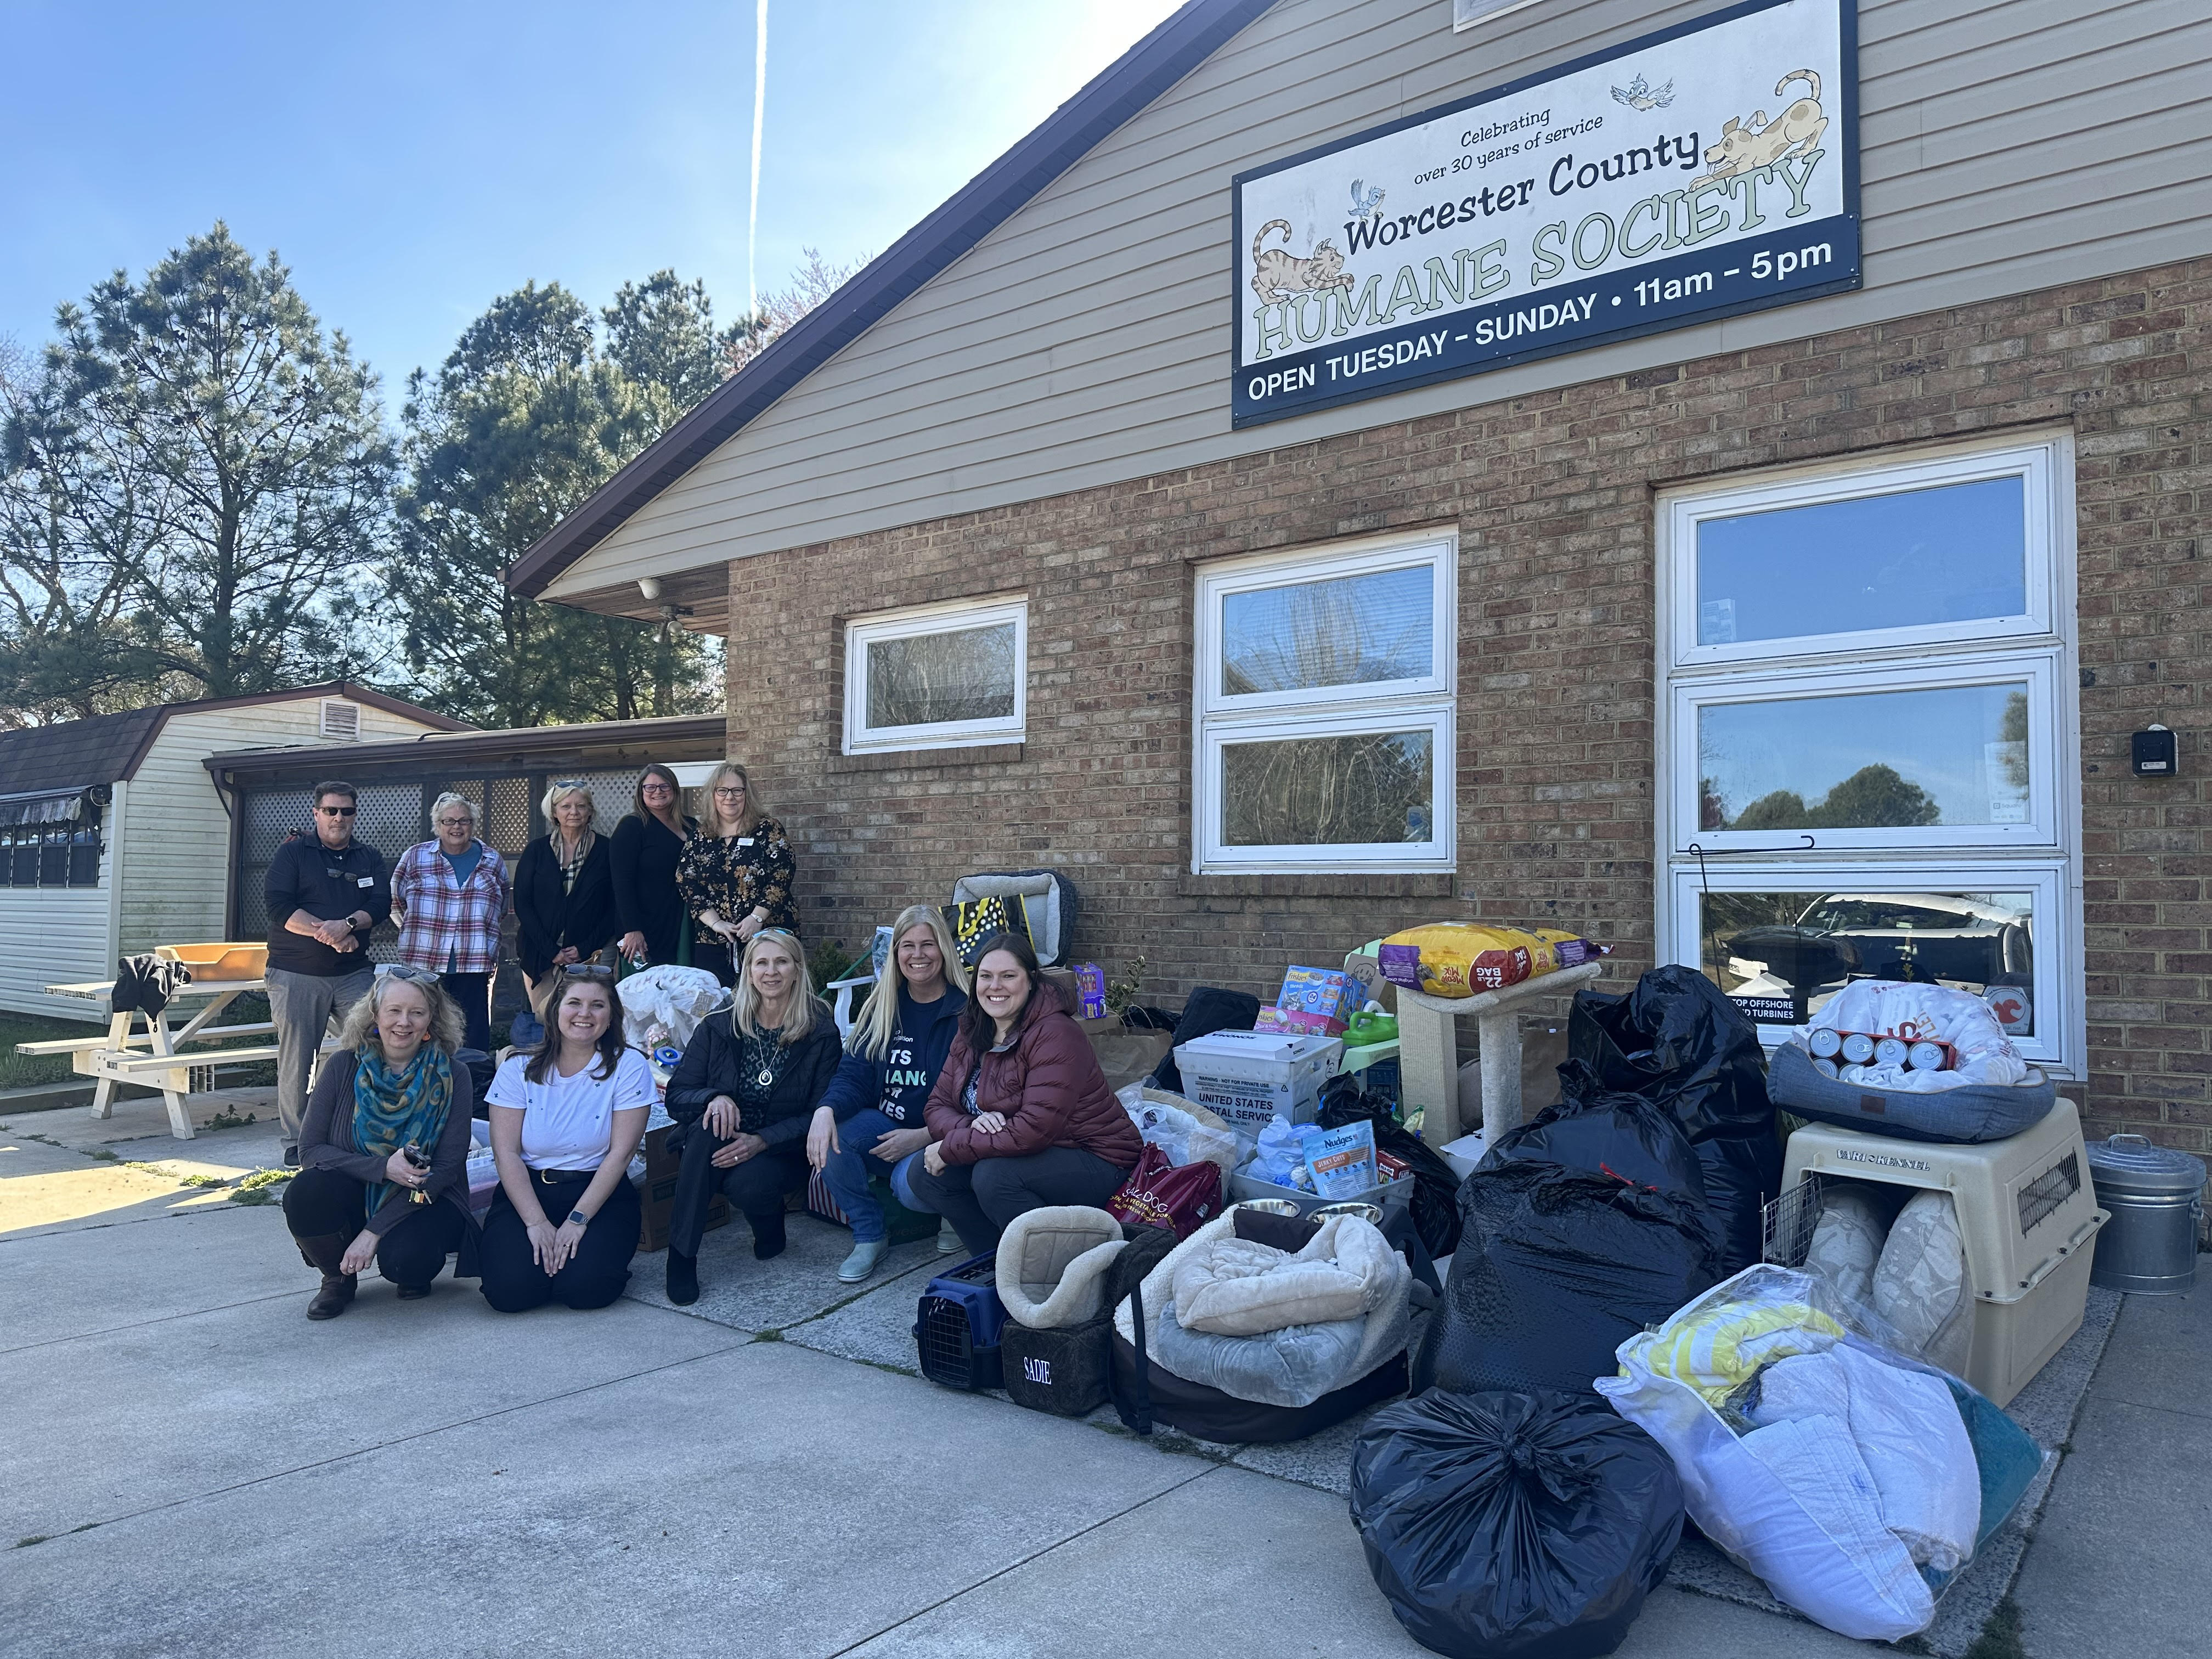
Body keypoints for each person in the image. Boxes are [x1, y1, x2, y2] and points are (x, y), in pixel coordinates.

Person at [901, 932, 1141, 1257]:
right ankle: (995, 1260)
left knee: (995, 1177)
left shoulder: (1056, 1034)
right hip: (1018, 1149)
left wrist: (954, 1144)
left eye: (1008, 976)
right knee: (924, 1173)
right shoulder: (973, 1026)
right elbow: (937, 1105)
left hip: (1096, 1157)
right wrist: (972, 1126)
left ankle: (1050, 1268)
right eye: (985, 977)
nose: (994, 987)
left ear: (1030, 981)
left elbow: (1034, 1131)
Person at [283, 967, 475, 1318]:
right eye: (394, 1011)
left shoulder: (454, 1075)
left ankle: (404, 1262)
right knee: (305, 1190)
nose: (405, 1022)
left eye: (417, 1012)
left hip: (424, 1198)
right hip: (354, 1189)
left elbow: (447, 1168)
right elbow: (309, 1150)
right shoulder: (343, 1066)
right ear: (375, 1015)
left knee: (406, 1264)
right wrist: (384, 1167)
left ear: (432, 1020)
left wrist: (374, 1232)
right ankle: (337, 1278)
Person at [662, 928, 840, 1305]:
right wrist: (714, 1097)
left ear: (797, 968)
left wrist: (762, 1141)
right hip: (718, 1141)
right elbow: (677, 1096)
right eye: (761, 963)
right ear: (748, 971)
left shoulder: (820, 1031)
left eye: (781, 962)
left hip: (782, 1149)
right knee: (707, 1128)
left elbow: (820, 1112)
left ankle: (769, 1220)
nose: (771, 972)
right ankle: (681, 1257)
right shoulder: (719, 1025)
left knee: (749, 1185)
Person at [806, 906, 969, 1283]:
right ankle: (869, 1235)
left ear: (943, 950)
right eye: (907, 946)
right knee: (833, 1132)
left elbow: (980, 1096)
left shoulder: (967, 1010)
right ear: (895, 954)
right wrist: (825, 1110)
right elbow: (853, 1075)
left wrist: (926, 1135)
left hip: (944, 1137)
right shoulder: (882, 1005)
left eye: (928, 944)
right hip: (887, 1129)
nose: (918, 955)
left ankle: (956, 1210)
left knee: (907, 1188)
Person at [477, 966, 653, 1313]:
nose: (585, 1014)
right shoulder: (518, 1068)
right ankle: (539, 1270)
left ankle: (580, 1266)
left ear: (611, 1015)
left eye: (598, 1005)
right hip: (527, 1192)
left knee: (586, 1292)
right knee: (510, 1295)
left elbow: (621, 1154)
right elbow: (506, 1154)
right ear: (556, 1008)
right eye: (574, 1003)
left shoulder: (629, 1066)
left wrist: (577, 1221)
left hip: (597, 1192)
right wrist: (536, 1223)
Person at [265, 780, 389, 1166]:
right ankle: (299, 1139)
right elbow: (278, 907)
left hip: (353, 973)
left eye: (346, 811)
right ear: (316, 812)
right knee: (300, 1058)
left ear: (355, 815)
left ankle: (363, 1125)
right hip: (296, 972)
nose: (339, 818)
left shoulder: (368, 857)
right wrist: (332, 934)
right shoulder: (293, 853)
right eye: (331, 810)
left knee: (376, 1043)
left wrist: (348, 925)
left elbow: (381, 903)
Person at [390, 792, 510, 1053]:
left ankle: (471, 1090)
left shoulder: (492, 860)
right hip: (423, 964)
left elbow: (500, 907)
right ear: (438, 825)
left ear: (473, 824)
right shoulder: (415, 857)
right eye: (449, 821)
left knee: (472, 1038)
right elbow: (395, 902)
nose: (457, 827)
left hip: (474, 964)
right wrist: (418, 932)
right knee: (422, 1034)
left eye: (464, 821)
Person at [675, 762, 795, 988]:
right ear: (713, 795)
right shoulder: (700, 835)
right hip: (713, 939)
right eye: (722, 791)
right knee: (715, 1003)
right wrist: (716, 923)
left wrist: (756, 918)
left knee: (766, 1000)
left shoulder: (768, 829)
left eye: (737, 790)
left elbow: (783, 872)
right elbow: (686, 880)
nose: (729, 797)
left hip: (766, 937)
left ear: (746, 794)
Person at [514, 780, 618, 1013]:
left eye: (581, 806)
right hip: (541, 952)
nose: (574, 812)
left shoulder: (607, 849)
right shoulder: (536, 850)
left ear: (590, 811)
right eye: (566, 806)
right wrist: (551, 951)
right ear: (554, 812)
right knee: (545, 1018)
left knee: (589, 1015)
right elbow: (523, 903)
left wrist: (585, 948)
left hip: (594, 954)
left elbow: (614, 905)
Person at [610, 764, 697, 970]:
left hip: (683, 922)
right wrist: (632, 929)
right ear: (641, 792)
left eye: (664, 786)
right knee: (646, 991)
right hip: (645, 925)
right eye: (650, 787)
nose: (658, 792)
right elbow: (622, 883)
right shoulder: (631, 827)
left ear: (675, 790)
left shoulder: (692, 826)